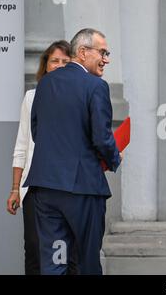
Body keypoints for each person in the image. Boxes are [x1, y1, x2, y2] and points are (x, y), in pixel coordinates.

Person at [23, 28, 121, 274]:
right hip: (83, 188)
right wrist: (114, 157)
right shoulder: (96, 86)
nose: (106, 59)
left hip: (45, 188)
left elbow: (38, 132)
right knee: (86, 261)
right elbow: (102, 137)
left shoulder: (45, 84)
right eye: (103, 52)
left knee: (54, 263)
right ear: (82, 52)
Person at [6, 40, 72, 275]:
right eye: (55, 61)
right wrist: (15, 189)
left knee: (67, 252)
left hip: (66, 188)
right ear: (45, 65)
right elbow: (22, 145)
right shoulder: (32, 97)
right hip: (33, 188)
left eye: (66, 61)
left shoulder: (79, 97)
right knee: (34, 250)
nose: (60, 65)